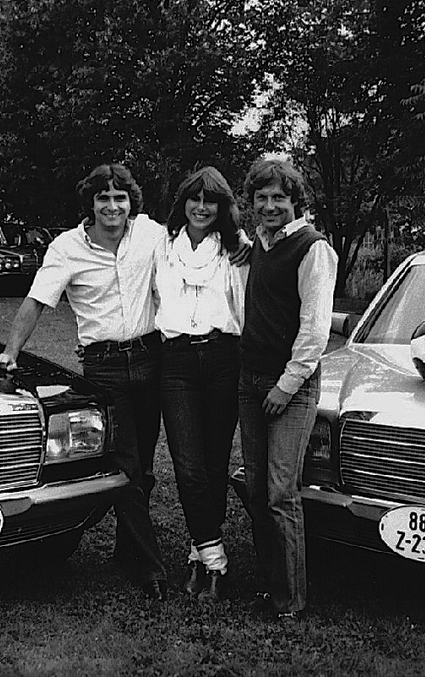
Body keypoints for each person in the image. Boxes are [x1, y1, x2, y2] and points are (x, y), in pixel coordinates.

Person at [0, 163, 170, 600]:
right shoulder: (67, 247)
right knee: (125, 465)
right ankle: (148, 569)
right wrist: (10, 351)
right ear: (90, 205)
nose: (112, 207)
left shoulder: (150, 234)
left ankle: (126, 550)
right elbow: (37, 301)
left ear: (132, 204)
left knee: (142, 465)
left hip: (151, 358)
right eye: (103, 199)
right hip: (104, 368)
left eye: (120, 198)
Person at [237, 158, 337, 621]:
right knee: (256, 490)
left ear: (295, 201)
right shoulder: (256, 245)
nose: (270, 205)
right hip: (250, 380)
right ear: (252, 203)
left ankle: (291, 603)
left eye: (279, 197)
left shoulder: (312, 249)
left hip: (289, 388)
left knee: (282, 493)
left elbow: (315, 331)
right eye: (262, 198)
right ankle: (269, 585)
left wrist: (286, 384)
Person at [154, 166, 248, 602]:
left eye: (211, 201)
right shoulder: (162, 246)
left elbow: (248, 309)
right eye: (195, 198)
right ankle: (216, 558)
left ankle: (198, 553)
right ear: (183, 202)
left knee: (212, 466)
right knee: (188, 466)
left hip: (223, 359)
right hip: (175, 362)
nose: (202, 208)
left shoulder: (236, 251)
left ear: (222, 207)